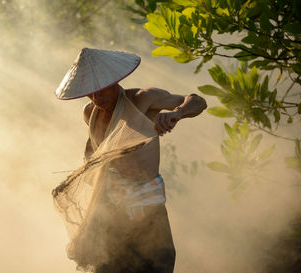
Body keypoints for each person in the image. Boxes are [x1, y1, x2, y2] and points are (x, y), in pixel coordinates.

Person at [53, 48, 207, 273]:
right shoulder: (90, 113)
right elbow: (95, 148)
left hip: (147, 209)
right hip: (111, 213)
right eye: (90, 92)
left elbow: (198, 101)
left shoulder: (142, 99)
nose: (96, 97)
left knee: (155, 265)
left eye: (101, 89)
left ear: (114, 81)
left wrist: (177, 113)